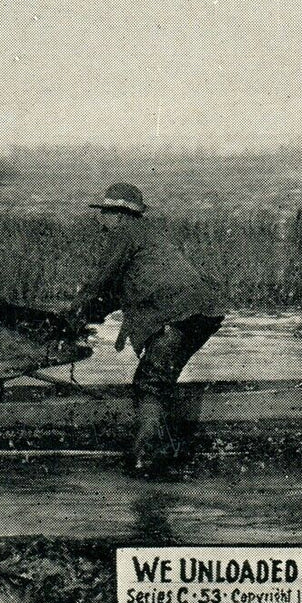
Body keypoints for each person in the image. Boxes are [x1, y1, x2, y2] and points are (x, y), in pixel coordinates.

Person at [65, 183, 226, 472]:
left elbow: (99, 282)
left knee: (149, 383)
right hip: (201, 312)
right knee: (160, 380)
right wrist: (88, 316)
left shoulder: (124, 234)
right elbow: (118, 292)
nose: (100, 220)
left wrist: (69, 317)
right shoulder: (148, 235)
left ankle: (146, 458)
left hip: (177, 315)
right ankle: (167, 444)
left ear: (119, 214)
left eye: (104, 212)